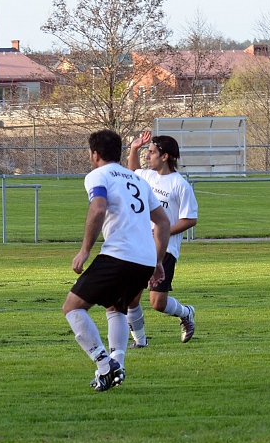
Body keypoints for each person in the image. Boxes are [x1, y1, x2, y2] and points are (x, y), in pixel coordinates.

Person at [62, 129, 171, 392]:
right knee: (115, 307)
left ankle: (104, 364)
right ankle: (117, 365)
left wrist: (85, 250)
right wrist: (157, 261)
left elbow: (98, 208)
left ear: (95, 154)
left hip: (119, 254)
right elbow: (163, 222)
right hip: (143, 258)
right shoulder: (138, 180)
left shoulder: (98, 175)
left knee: (73, 308)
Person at [126, 131, 198, 345]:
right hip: (140, 246)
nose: (148, 157)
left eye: (152, 152)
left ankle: (186, 313)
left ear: (165, 156)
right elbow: (132, 170)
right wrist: (134, 148)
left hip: (164, 249)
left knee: (157, 302)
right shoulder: (147, 176)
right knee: (131, 297)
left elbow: (190, 219)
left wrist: (163, 231)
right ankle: (140, 341)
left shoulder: (179, 185)